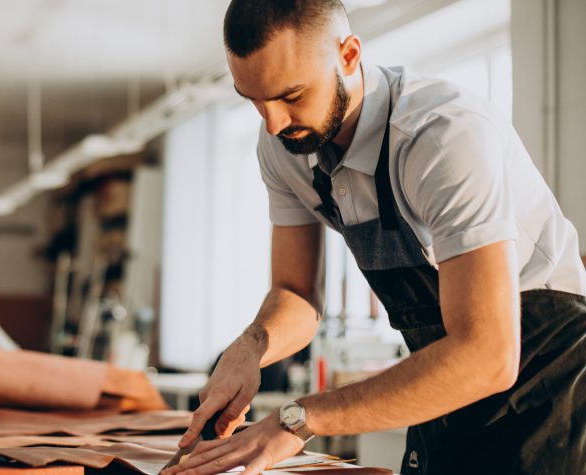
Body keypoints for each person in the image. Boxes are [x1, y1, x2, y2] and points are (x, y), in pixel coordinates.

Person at [159, 1, 586, 474]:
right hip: (444, 385)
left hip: (551, 387)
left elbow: (487, 354)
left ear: (348, 54)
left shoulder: (441, 136)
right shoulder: (284, 145)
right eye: (253, 101)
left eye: (291, 95)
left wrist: (298, 420)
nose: (274, 123)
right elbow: (295, 292)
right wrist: (252, 347)